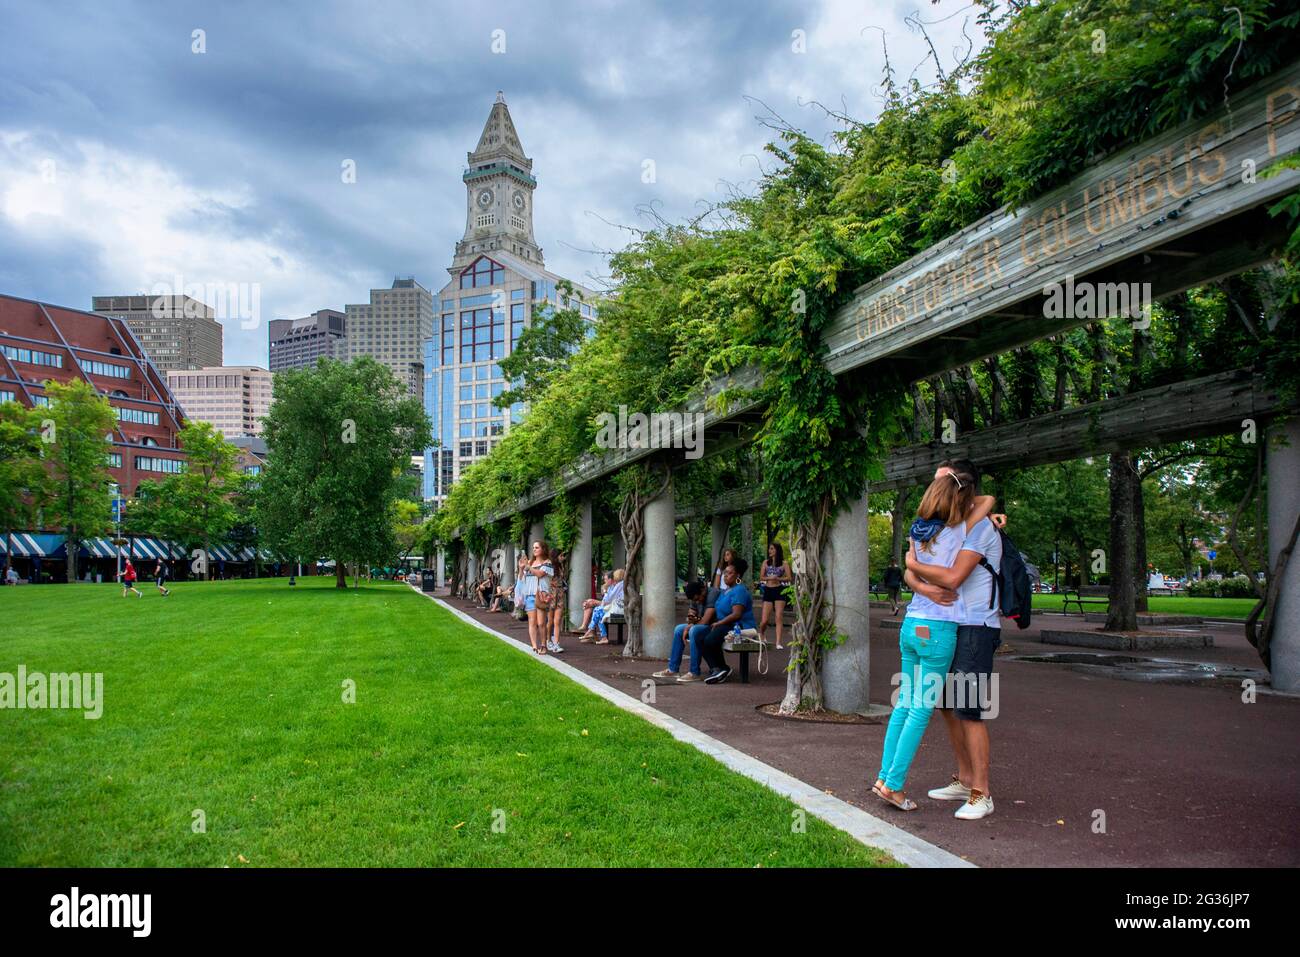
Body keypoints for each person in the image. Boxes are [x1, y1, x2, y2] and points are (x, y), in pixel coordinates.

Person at [873, 465, 998, 812]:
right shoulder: (959, 529)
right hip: (939, 630)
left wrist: (943, 480)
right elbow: (987, 499)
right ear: (961, 499)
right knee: (921, 711)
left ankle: (884, 777)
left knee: (905, 705)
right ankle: (894, 786)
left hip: (911, 626)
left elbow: (911, 569)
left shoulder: (918, 530)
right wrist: (958, 487)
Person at [904, 459, 1006, 821]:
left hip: (977, 627)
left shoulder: (978, 529)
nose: (934, 493)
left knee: (970, 709)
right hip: (950, 625)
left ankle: (982, 792)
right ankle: (965, 779)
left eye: (942, 484)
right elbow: (914, 574)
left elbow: (952, 577)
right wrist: (917, 580)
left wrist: (915, 566)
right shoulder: (954, 526)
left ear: (961, 490)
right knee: (947, 704)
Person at [697, 558, 756, 685]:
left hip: (738, 626)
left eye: (729, 573)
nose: (725, 576)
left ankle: (721, 669)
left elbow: (737, 614)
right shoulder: (725, 592)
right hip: (725, 625)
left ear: (737, 575)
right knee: (699, 637)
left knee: (709, 640)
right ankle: (718, 669)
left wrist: (719, 623)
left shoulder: (739, 590)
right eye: (724, 573)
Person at [653, 579, 717, 682]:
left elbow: (705, 620)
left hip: (714, 626)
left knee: (694, 630)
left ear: (703, 590)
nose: (697, 602)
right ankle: (673, 669)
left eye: (698, 599)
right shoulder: (695, 595)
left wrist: (690, 626)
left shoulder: (712, 594)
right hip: (700, 625)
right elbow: (691, 613)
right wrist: (690, 621)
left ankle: (694, 672)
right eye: (694, 600)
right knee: (679, 629)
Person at [519, 541, 555, 655]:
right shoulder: (531, 562)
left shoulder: (547, 562)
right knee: (532, 622)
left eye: (537, 547)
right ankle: (534, 646)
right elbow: (522, 578)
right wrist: (521, 568)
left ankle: (543, 645)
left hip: (541, 596)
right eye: (533, 547)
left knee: (541, 623)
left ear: (543, 549)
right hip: (530, 595)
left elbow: (540, 574)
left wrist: (528, 567)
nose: (534, 549)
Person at [757, 543, 790, 650]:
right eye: (769, 549)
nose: (769, 551)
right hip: (768, 590)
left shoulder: (784, 563)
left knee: (778, 617)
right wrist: (769, 578)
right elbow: (761, 577)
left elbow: (789, 578)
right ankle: (761, 633)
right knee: (764, 620)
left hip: (779, 590)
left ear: (777, 550)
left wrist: (778, 579)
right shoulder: (765, 563)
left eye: (772, 549)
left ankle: (778, 642)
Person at [581, 569, 625, 644]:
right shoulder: (615, 585)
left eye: (605, 579)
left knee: (597, 610)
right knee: (599, 612)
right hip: (614, 607)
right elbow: (605, 601)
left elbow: (609, 599)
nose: (604, 581)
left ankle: (590, 630)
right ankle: (603, 637)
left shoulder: (620, 584)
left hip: (619, 608)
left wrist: (605, 590)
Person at [547, 549, 568, 654]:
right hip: (551, 593)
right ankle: (548, 640)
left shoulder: (561, 566)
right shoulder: (549, 567)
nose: (562, 557)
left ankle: (556, 643)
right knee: (550, 620)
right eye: (561, 555)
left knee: (557, 620)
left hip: (559, 593)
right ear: (556, 556)